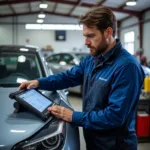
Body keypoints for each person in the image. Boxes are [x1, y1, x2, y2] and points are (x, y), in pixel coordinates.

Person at [19, 6, 145, 150]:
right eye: (85, 36)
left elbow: (115, 116)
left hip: (115, 145)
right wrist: (38, 82)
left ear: (108, 32)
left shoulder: (127, 67)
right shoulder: (93, 59)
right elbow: (68, 77)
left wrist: (73, 116)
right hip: (94, 142)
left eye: (90, 36)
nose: (86, 42)